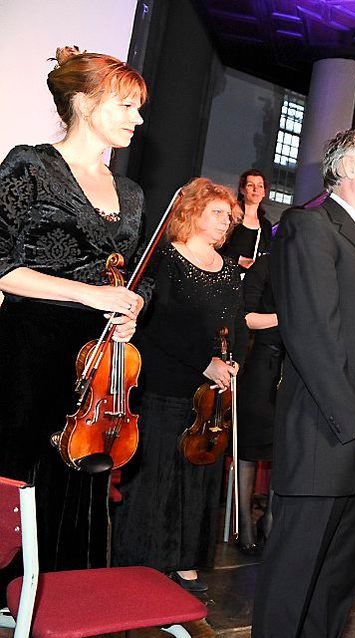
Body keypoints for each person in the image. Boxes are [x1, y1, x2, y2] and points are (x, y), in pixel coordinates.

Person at [253, 127, 355, 636]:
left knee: (336, 587)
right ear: (347, 169)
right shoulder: (310, 226)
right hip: (326, 436)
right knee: (293, 586)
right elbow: (311, 336)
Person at [0, 47, 146, 583]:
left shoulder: (130, 193)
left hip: (101, 363)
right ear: (85, 103)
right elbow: (1, 266)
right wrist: (90, 297)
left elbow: (131, 278)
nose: (138, 118)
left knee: (83, 476)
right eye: (127, 105)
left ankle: (66, 602)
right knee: (20, 473)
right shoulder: (31, 164)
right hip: (31, 348)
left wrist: (130, 308)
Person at [112, 178, 243, 593]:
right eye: (217, 213)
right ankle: (142, 563)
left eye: (229, 215)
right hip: (166, 382)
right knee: (157, 475)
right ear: (192, 213)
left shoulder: (229, 271)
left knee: (198, 478)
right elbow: (156, 326)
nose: (225, 221)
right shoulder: (165, 259)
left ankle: (186, 561)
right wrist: (203, 362)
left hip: (210, 394)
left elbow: (233, 326)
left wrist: (232, 361)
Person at [235, 248, 282, 554]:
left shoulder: (310, 267)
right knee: (250, 447)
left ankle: (272, 520)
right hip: (261, 364)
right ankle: (245, 523)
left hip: (296, 369)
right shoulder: (265, 264)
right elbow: (246, 317)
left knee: (286, 449)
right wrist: (287, 318)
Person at [220, 169, 272, 268]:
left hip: (251, 279)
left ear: (264, 192)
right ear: (242, 190)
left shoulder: (266, 225)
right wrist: (239, 259)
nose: (255, 189)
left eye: (260, 186)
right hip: (228, 272)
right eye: (250, 185)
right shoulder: (231, 216)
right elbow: (217, 246)